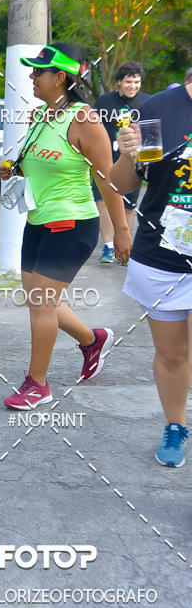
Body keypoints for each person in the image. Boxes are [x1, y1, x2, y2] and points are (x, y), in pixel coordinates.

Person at [0, 43, 132, 410]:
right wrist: (13, 169)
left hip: (73, 224)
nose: (31, 77)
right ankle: (92, 341)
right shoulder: (40, 115)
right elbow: (32, 164)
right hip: (38, 221)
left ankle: (37, 384)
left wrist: (121, 230)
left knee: (42, 302)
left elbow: (108, 179)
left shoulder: (85, 119)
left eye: (38, 72)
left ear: (61, 77)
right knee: (38, 299)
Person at [111, 78, 192, 467]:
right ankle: (176, 426)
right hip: (164, 258)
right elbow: (123, 184)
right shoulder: (161, 109)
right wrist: (129, 155)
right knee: (173, 353)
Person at [92, 62, 150, 263]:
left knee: (128, 207)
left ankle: (126, 248)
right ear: (119, 82)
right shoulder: (105, 101)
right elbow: (91, 128)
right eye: (128, 81)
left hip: (133, 164)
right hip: (106, 161)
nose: (133, 86)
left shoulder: (148, 103)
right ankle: (108, 246)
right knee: (103, 202)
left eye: (136, 82)